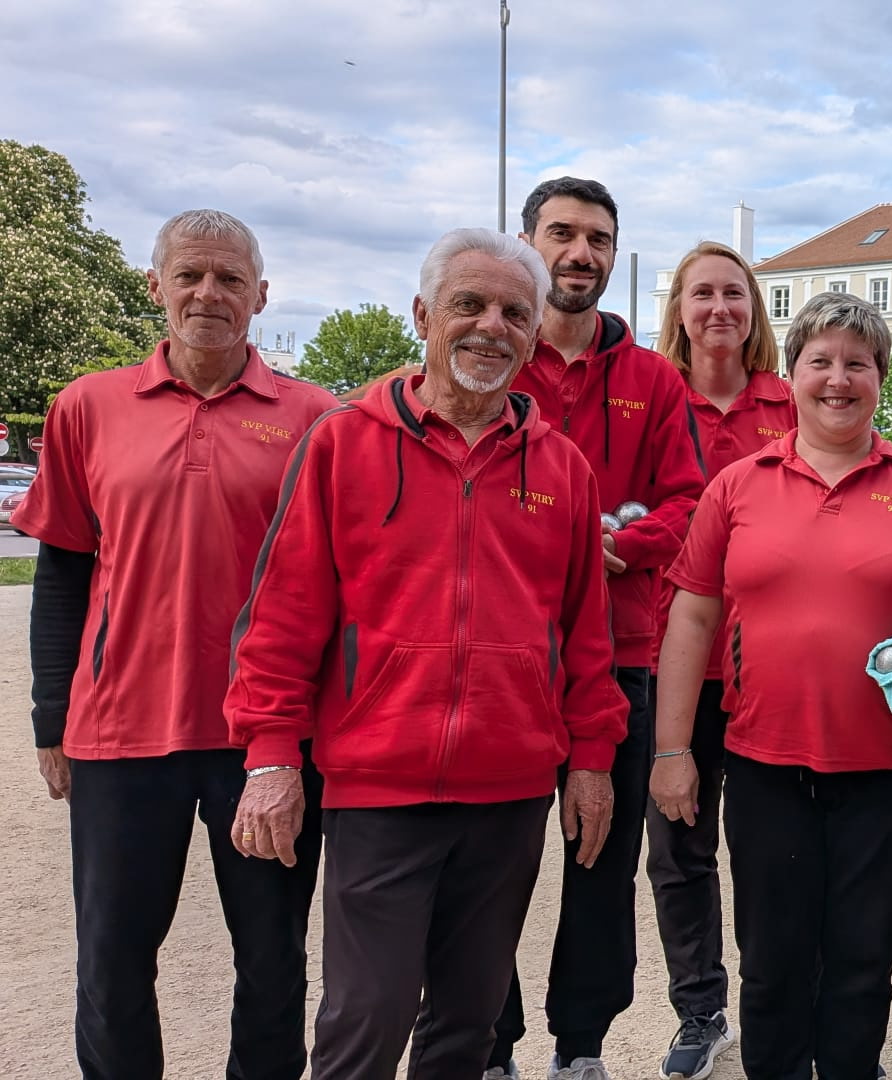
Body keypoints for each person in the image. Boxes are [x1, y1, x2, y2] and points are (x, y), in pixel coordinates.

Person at [225, 227, 629, 1079]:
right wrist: (270, 757)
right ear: (423, 315)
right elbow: (283, 615)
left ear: (533, 331)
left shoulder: (562, 468)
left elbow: (585, 636)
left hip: (510, 791)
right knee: (363, 1017)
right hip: (379, 787)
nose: (492, 326)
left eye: (515, 313)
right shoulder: (341, 445)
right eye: (469, 304)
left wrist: (592, 760)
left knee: (468, 1023)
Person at [16, 209, 335, 1080]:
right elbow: (61, 575)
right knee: (112, 963)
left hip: (262, 740)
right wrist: (53, 716)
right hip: (121, 732)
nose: (209, 294)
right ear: (154, 287)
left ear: (261, 297)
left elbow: (333, 592)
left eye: (230, 279)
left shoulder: (315, 418)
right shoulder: (87, 407)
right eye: (189, 276)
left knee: (273, 962)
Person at [651, 292, 892, 1080]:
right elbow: (691, 622)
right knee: (772, 961)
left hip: (885, 772)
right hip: (766, 764)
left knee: (864, 960)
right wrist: (671, 749)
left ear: (881, 379)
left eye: (858, 364)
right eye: (821, 362)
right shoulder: (736, 487)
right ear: (792, 375)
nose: (839, 380)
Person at [488, 176, 705, 1080]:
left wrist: (617, 546)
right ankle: (487, 1043)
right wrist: (568, 540)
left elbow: (693, 501)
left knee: (599, 867)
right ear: (527, 240)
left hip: (617, 663)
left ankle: (580, 1048)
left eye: (599, 240)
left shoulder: (652, 380)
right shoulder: (491, 351)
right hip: (501, 658)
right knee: (486, 871)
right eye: (563, 234)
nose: (581, 255)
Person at [644, 239, 796, 1079]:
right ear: (679, 309)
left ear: (754, 309)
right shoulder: (655, 402)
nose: (719, 310)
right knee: (679, 850)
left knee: (775, 849)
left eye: (734, 294)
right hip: (677, 663)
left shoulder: (792, 399)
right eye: (701, 294)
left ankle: (786, 1000)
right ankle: (701, 1009)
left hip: (774, 663)